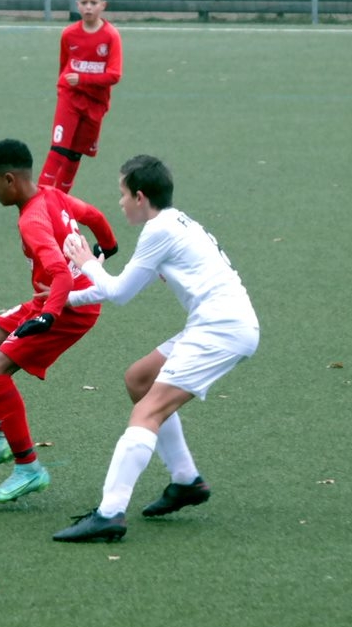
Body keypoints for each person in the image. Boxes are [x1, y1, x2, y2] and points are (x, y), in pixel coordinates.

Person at [51, 155, 259, 542]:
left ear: (141, 196)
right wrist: (67, 300)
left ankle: (109, 514)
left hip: (221, 329)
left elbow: (119, 293)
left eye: (122, 194)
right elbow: (121, 285)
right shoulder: (174, 223)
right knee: (140, 379)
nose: (121, 202)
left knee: (147, 411)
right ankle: (185, 480)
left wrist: (84, 262)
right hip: (219, 323)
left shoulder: (158, 231)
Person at [0, 138, 119, 503]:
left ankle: (28, 468)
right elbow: (92, 215)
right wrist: (108, 245)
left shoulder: (31, 221)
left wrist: (47, 318)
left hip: (68, 308)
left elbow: (60, 273)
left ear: (10, 179)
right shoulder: (51, 194)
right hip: (51, 299)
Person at [37, 0, 122, 194]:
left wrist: (82, 79)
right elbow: (64, 67)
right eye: (84, 2)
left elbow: (114, 75)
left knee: (75, 154)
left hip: (95, 103)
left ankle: (61, 200)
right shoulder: (68, 34)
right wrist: (63, 89)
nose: (89, 7)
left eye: (94, 2)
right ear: (77, 5)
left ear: (103, 5)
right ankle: (37, 203)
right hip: (70, 98)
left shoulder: (111, 36)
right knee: (58, 149)